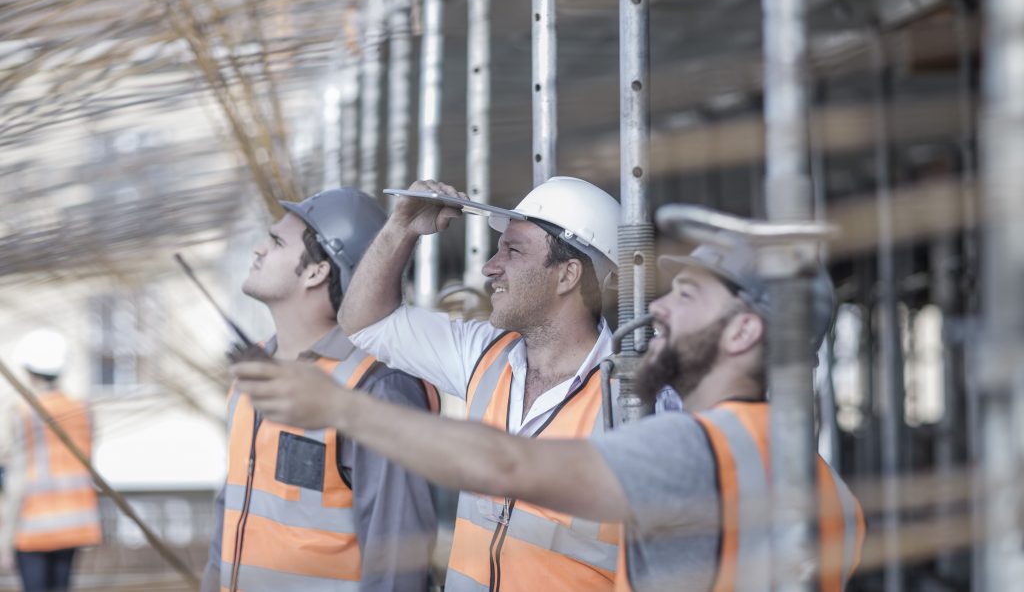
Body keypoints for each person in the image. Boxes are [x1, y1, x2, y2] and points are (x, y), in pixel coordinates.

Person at [231, 206, 866, 592]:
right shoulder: (820, 487)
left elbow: (510, 466)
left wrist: (342, 409)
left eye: (690, 296)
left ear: (745, 330)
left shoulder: (695, 447)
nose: (659, 308)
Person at [335, 177, 624, 591]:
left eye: (513, 250)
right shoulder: (484, 356)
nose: (491, 267)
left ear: (568, 275)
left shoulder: (635, 400)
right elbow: (364, 322)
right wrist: (401, 228)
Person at [201, 188, 439, 592]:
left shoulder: (376, 387)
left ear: (317, 271)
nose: (258, 248)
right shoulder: (256, 369)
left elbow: (398, 563)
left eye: (275, 242)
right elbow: (232, 510)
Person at [0, 329, 102, 592]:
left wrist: (5, 538)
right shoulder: (83, 411)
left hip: (35, 526)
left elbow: (17, 480)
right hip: (75, 522)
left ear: (29, 370)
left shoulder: (25, 413)